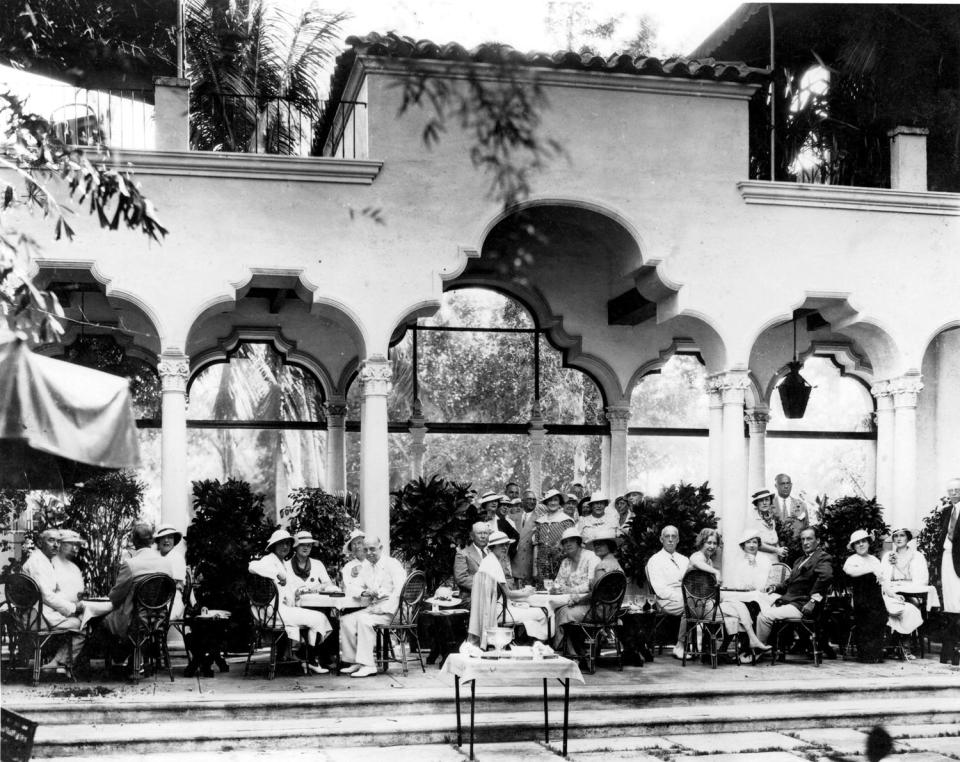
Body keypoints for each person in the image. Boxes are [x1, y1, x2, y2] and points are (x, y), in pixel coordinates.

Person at [247, 529, 331, 674]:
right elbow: (252, 566)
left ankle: (308, 658)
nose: (285, 547)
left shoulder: (282, 562)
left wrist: (294, 593)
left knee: (317, 617)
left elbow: (286, 589)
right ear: (273, 546)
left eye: (287, 544)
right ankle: (309, 659)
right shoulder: (269, 560)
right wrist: (278, 574)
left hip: (279, 610)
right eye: (281, 544)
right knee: (319, 617)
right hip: (273, 613)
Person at [683, 528, 770, 656]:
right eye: (709, 543)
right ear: (702, 543)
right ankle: (749, 641)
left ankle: (751, 640)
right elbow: (695, 562)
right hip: (697, 607)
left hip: (706, 605)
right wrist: (716, 572)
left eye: (714, 543)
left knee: (738, 604)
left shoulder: (709, 560)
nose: (712, 546)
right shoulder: (697, 556)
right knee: (739, 610)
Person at [843, 529, 922, 662]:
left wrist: (893, 595)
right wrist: (870, 570)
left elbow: (883, 581)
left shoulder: (874, 560)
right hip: (861, 598)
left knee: (880, 619)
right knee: (866, 623)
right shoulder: (852, 559)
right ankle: (866, 655)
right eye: (857, 543)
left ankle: (876, 653)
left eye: (864, 541)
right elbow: (850, 572)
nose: (861, 545)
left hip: (876, 598)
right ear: (854, 546)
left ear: (868, 543)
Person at [339, 535, 407, 678]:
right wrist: (365, 591)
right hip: (375, 608)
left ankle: (368, 665)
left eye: (372, 549)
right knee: (346, 621)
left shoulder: (392, 564)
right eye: (365, 549)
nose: (368, 553)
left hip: (395, 610)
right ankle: (355, 660)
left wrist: (383, 609)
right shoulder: (366, 566)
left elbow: (400, 591)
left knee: (364, 620)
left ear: (380, 548)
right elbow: (352, 587)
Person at [756, 526, 833, 648]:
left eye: (809, 539)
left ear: (817, 540)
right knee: (755, 602)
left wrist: (813, 601)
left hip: (802, 605)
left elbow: (826, 578)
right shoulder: (800, 560)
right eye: (803, 539)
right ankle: (763, 645)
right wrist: (775, 588)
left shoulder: (822, 557)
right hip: (790, 600)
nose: (805, 543)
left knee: (765, 616)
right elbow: (790, 582)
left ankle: (758, 649)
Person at [21, 528, 85, 672]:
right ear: (39, 542)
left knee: (76, 618)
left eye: (58, 541)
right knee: (82, 625)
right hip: (36, 617)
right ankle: (59, 664)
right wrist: (73, 608)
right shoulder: (37, 563)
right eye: (51, 540)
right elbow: (47, 596)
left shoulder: (44, 561)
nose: (56, 545)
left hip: (39, 614)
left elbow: (53, 592)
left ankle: (57, 662)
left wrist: (70, 604)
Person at [467, 530, 542, 647]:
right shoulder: (493, 564)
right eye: (501, 545)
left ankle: (527, 643)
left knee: (531, 612)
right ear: (493, 546)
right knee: (542, 612)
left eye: (507, 544)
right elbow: (509, 594)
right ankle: (537, 646)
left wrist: (522, 592)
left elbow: (503, 591)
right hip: (497, 612)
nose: (505, 548)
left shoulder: (488, 561)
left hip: (491, 610)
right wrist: (527, 593)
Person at [552, 527, 600, 651]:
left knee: (562, 613)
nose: (568, 544)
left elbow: (591, 585)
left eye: (571, 541)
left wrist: (570, 590)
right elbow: (557, 583)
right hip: (571, 601)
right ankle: (569, 650)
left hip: (590, 602)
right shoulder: (565, 562)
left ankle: (570, 651)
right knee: (552, 612)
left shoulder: (591, 557)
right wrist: (556, 588)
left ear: (578, 542)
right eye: (565, 542)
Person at [532, 489, 576, 584]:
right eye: (550, 500)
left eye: (555, 500)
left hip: (561, 563)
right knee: (542, 591)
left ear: (559, 502)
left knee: (559, 590)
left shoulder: (567, 521)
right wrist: (535, 568)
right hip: (542, 564)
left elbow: (573, 545)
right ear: (546, 502)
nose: (552, 503)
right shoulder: (540, 521)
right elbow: (536, 545)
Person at [938, 478, 960, 664]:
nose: (953, 493)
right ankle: (949, 649)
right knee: (950, 601)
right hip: (946, 557)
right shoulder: (947, 511)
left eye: (957, 489)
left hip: (959, 559)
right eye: (950, 490)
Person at [750, 489, 788, 578]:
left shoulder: (771, 520)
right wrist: (777, 550)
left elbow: (774, 540)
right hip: (760, 560)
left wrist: (781, 551)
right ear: (756, 503)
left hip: (774, 560)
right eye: (761, 500)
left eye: (767, 500)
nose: (764, 503)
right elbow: (755, 544)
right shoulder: (753, 520)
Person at [154, 525, 187, 620]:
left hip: (171, 604)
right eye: (163, 537)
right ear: (158, 540)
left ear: (174, 541)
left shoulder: (176, 557)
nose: (166, 540)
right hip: (157, 603)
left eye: (170, 537)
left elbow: (175, 584)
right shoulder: (156, 557)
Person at [453, 522, 491, 602]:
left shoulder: (492, 553)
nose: (483, 536)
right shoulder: (463, 554)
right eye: (480, 533)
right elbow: (461, 578)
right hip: (471, 598)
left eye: (485, 533)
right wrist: (486, 586)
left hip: (495, 596)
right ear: (472, 536)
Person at [511, 491, 538, 585]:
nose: (532, 502)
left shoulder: (540, 519)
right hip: (513, 566)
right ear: (522, 501)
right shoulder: (513, 518)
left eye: (534, 500)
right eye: (529, 499)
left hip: (528, 567)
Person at [773, 473, 809, 540]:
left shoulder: (801, 505)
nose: (786, 486)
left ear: (791, 485)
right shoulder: (770, 505)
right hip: (776, 547)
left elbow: (806, 528)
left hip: (797, 546)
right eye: (782, 484)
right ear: (776, 486)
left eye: (788, 483)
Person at [341, 528, 368, 599]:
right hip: (354, 603)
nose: (357, 546)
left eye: (359, 543)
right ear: (351, 549)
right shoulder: (348, 567)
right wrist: (363, 592)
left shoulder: (372, 562)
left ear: (365, 545)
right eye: (354, 544)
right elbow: (347, 588)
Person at [493, 495, 520, 562]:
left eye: (508, 506)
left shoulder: (510, 522)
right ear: (498, 506)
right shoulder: (491, 520)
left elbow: (516, 539)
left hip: (506, 558)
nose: (505, 508)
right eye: (503, 505)